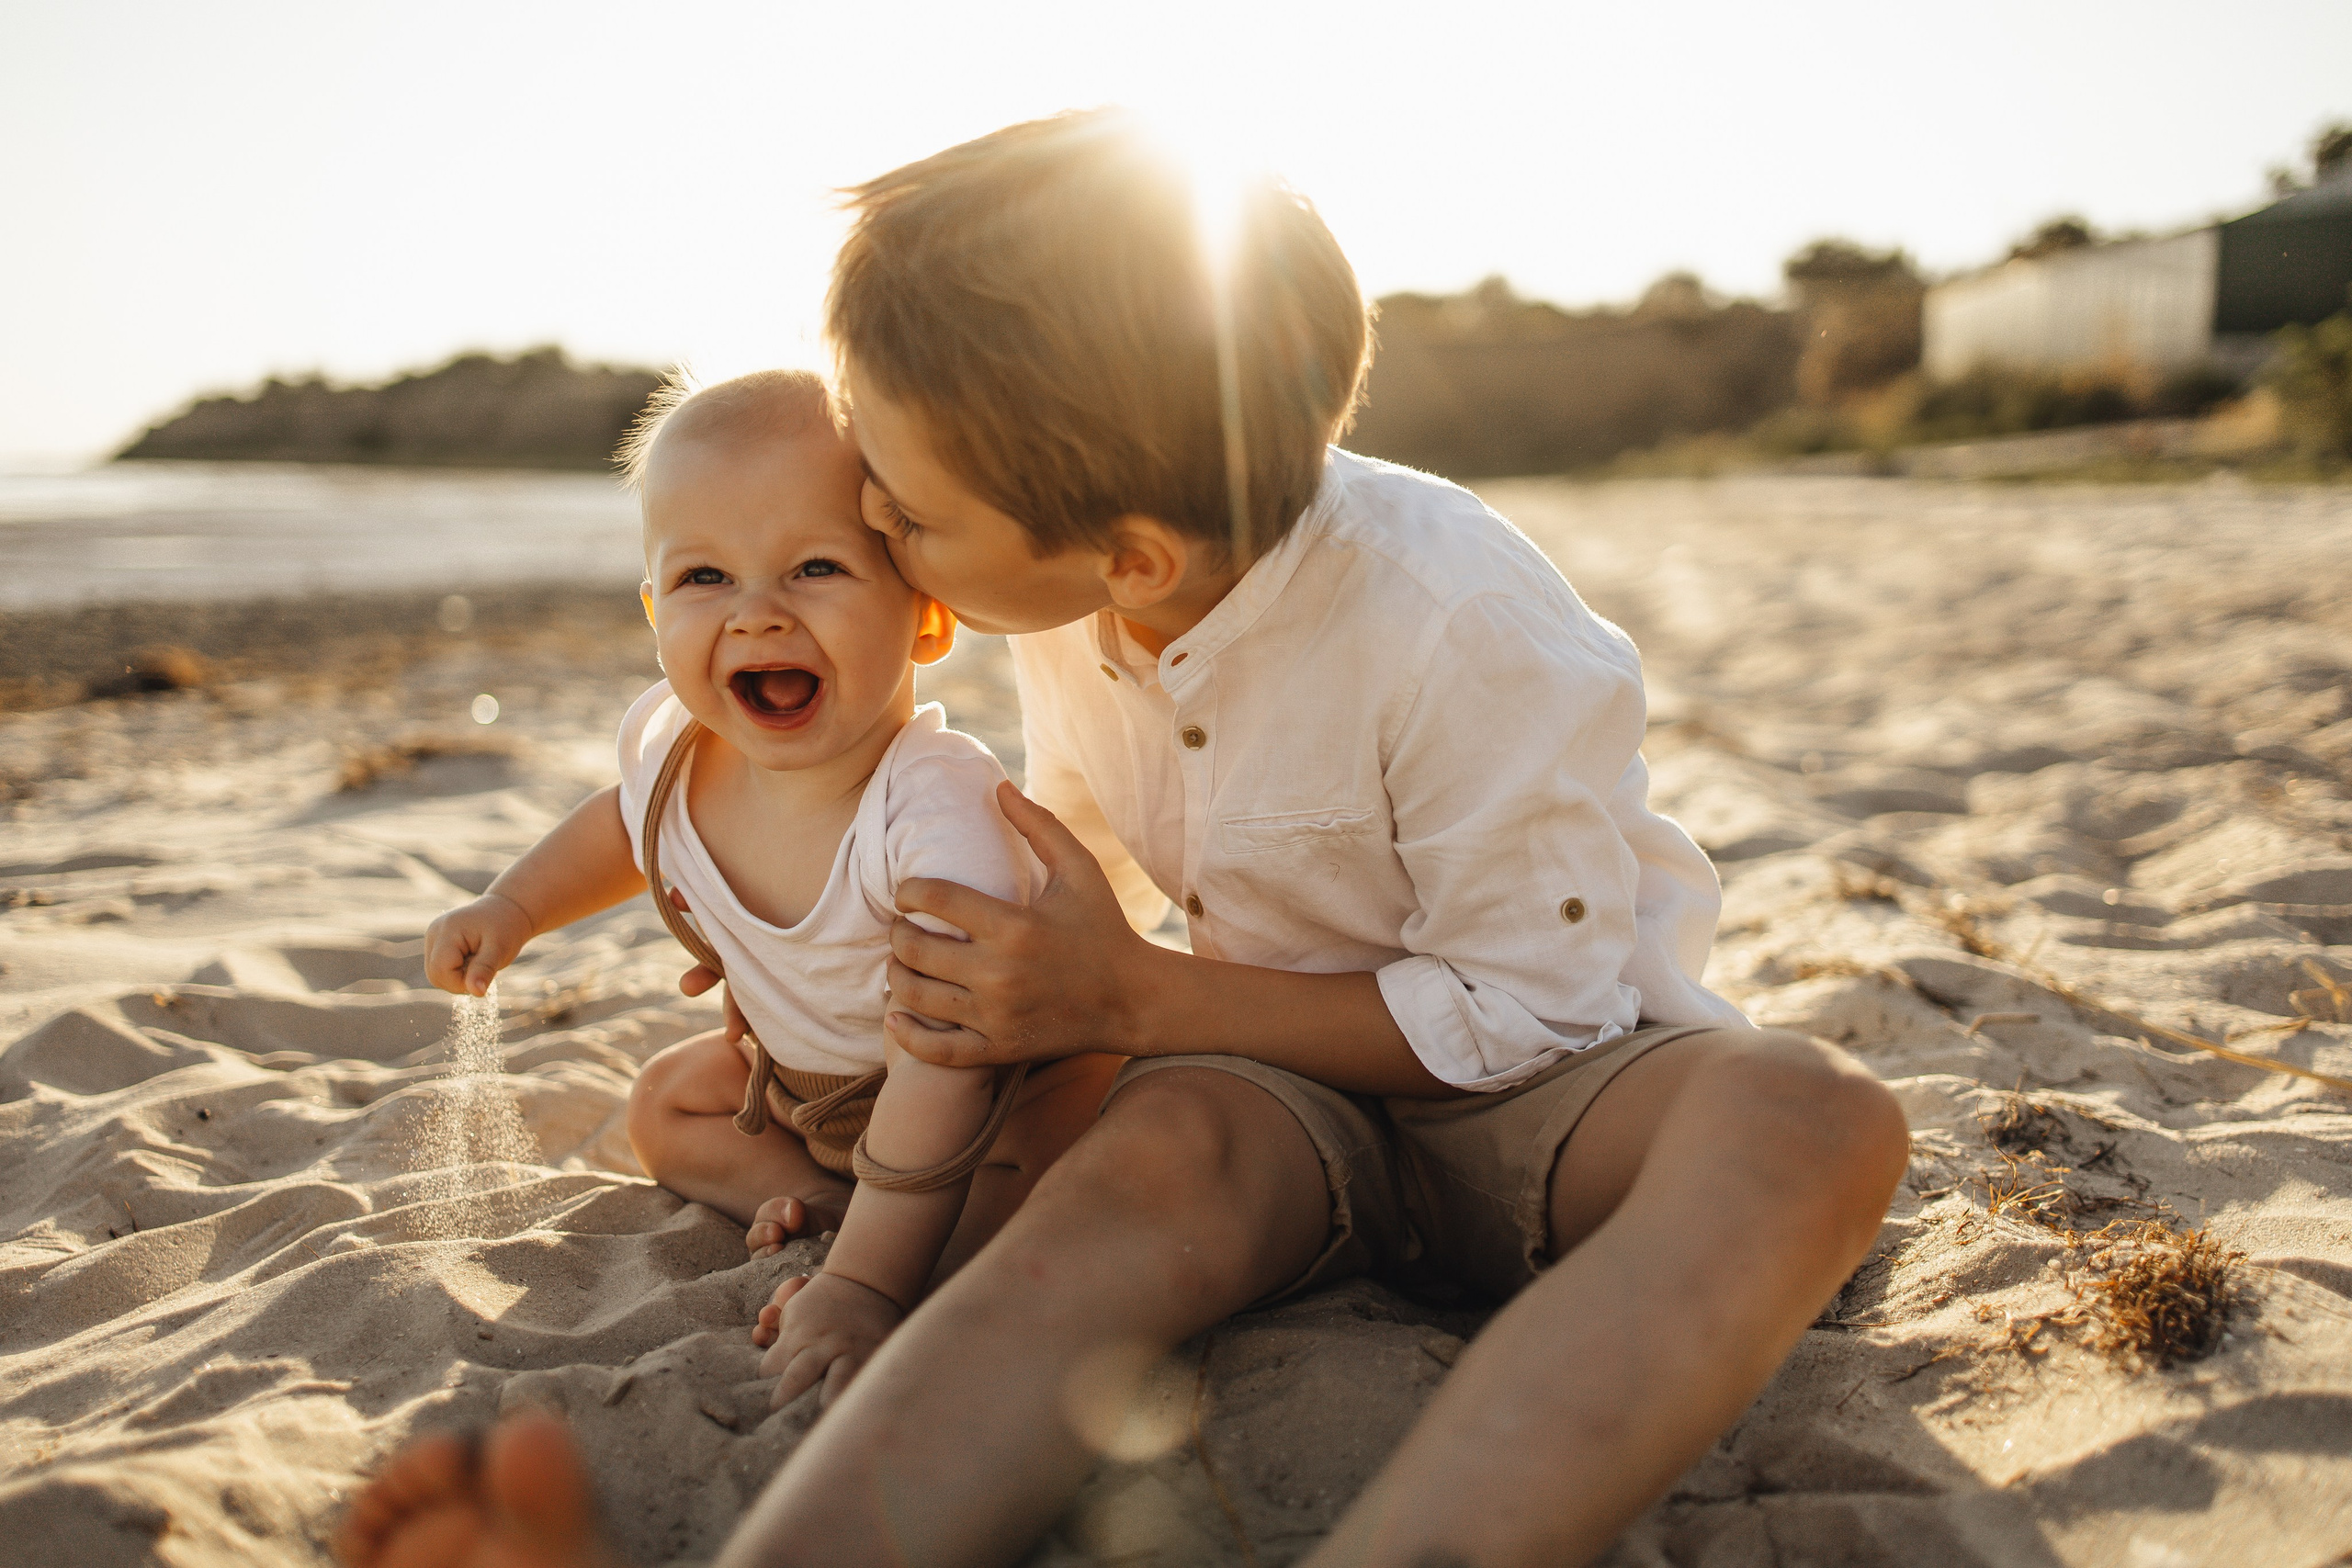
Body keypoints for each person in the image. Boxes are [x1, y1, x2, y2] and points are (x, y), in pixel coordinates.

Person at [345, 112, 1909, 1568]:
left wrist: (1140, 996)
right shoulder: (1073, 594)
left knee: (1812, 1113)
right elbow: (1053, 871)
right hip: (1267, 1103)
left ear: (1130, 552)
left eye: (908, 512)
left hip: (1558, 1092)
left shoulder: (1457, 621)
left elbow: (1532, 1010)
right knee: (1116, 1182)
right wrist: (831, 957)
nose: (875, 525)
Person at [415, 367, 1117, 1412]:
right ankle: (819, 1201)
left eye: (815, 568)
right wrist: (513, 908)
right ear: (654, 610)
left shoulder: (933, 807)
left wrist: (865, 1286)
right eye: (704, 577)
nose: (757, 617)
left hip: (988, 1090)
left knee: (1021, 1178)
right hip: (806, 1089)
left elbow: (949, 1048)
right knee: (667, 1104)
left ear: (927, 619)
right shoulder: (682, 757)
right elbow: (623, 825)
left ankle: (883, 1248)